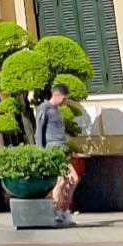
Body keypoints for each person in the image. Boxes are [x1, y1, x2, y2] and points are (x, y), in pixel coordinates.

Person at [38, 81, 81, 226]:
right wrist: (42, 153)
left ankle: (63, 211)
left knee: (73, 179)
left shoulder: (57, 110)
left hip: (62, 150)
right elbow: (39, 132)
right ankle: (56, 213)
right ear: (56, 95)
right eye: (64, 98)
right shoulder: (44, 109)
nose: (65, 101)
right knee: (60, 181)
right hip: (53, 150)